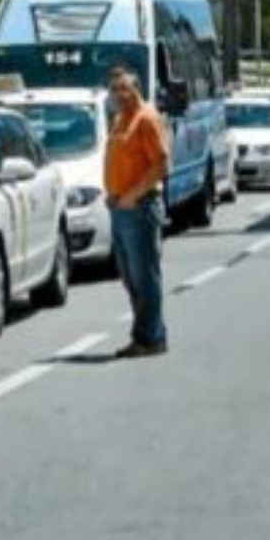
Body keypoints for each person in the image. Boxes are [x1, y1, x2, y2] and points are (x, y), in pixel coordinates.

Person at [104, 65, 170, 358]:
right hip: (120, 207)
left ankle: (152, 337)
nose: (119, 94)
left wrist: (132, 195)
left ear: (137, 89)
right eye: (114, 89)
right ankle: (143, 333)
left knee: (144, 276)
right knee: (131, 278)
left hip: (140, 208)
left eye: (124, 88)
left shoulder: (146, 118)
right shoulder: (120, 119)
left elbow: (161, 164)